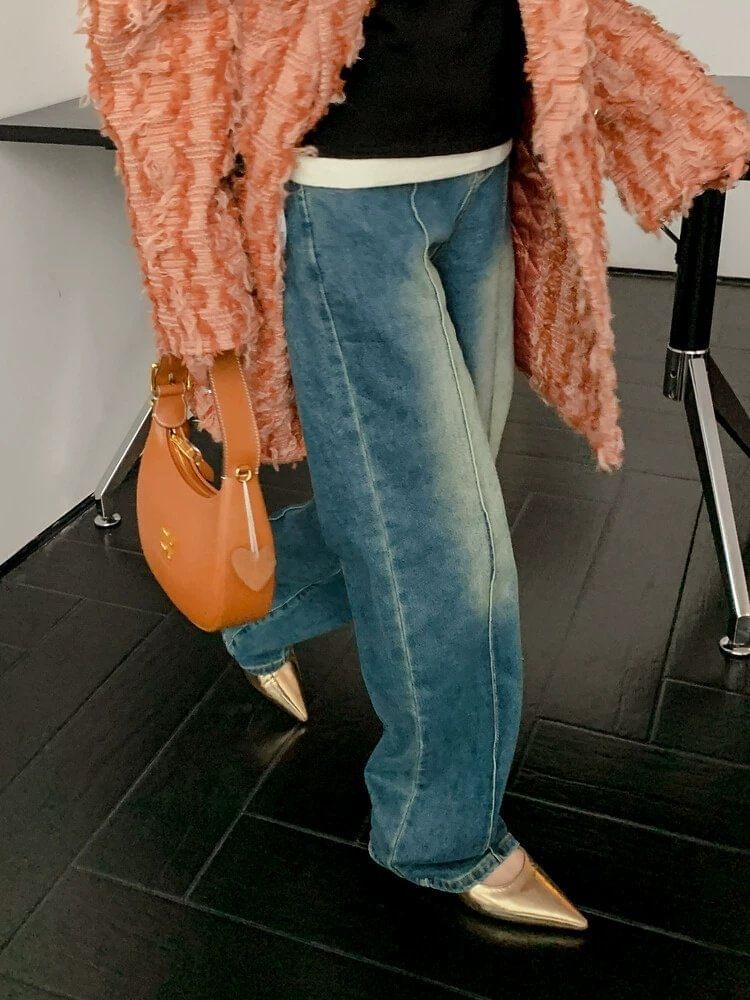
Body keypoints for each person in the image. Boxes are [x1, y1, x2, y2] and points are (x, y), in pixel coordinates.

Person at [221, 0, 587, 932]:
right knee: (444, 541)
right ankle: (438, 827)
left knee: (408, 501)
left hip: (482, 164)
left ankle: (258, 597)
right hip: (349, 188)